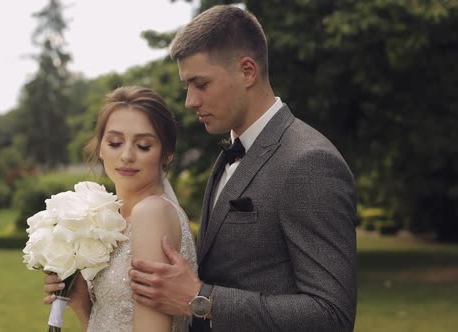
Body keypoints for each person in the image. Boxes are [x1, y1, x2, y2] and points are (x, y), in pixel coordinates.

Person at [129, 5, 357, 332]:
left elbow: (332, 315)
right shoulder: (230, 152)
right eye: (186, 87)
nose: (190, 101)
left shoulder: (309, 162)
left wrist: (202, 298)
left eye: (201, 84)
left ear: (247, 71)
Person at [42, 86, 197, 332]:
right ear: (101, 148)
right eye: (115, 143)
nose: (126, 155)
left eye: (143, 146)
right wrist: (81, 302)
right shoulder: (111, 220)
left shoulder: (152, 214)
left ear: (166, 154)